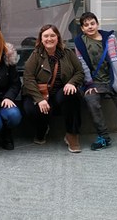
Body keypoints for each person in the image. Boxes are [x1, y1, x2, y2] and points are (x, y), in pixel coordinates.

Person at [74, 12, 117, 155]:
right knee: (91, 102)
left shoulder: (110, 38)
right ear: (82, 28)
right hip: (95, 83)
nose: (90, 27)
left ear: (97, 24)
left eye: (92, 23)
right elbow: (82, 64)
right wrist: (89, 85)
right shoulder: (79, 42)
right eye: (86, 25)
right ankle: (103, 137)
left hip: (114, 80)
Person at [22, 24, 84, 152]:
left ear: (58, 38)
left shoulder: (68, 53)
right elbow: (28, 79)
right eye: (46, 36)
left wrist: (71, 83)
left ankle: (72, 135)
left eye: (52, 35)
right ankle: (42, 129)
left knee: (72, 95)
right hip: (41, 93)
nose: (49, 39)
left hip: (60, 93)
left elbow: (80, 72)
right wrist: (39, 99)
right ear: (41, 38)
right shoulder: (35, 55)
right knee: (31, 109)